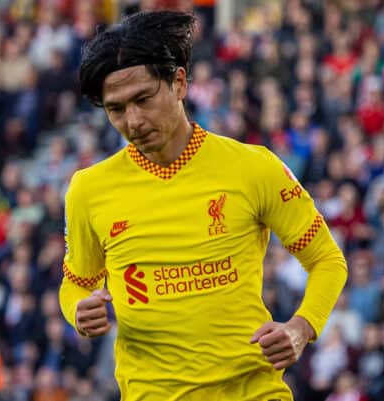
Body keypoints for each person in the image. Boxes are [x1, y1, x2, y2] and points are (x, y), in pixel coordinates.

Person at [59, 10, 348, 401]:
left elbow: (328, 260)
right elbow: (77, 282)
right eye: (117, 109)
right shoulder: (88, 189)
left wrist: (301, 327)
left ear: (178, 82)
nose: (134, 120)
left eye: (143, 99)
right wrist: (78, 309)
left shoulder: (253, 167)